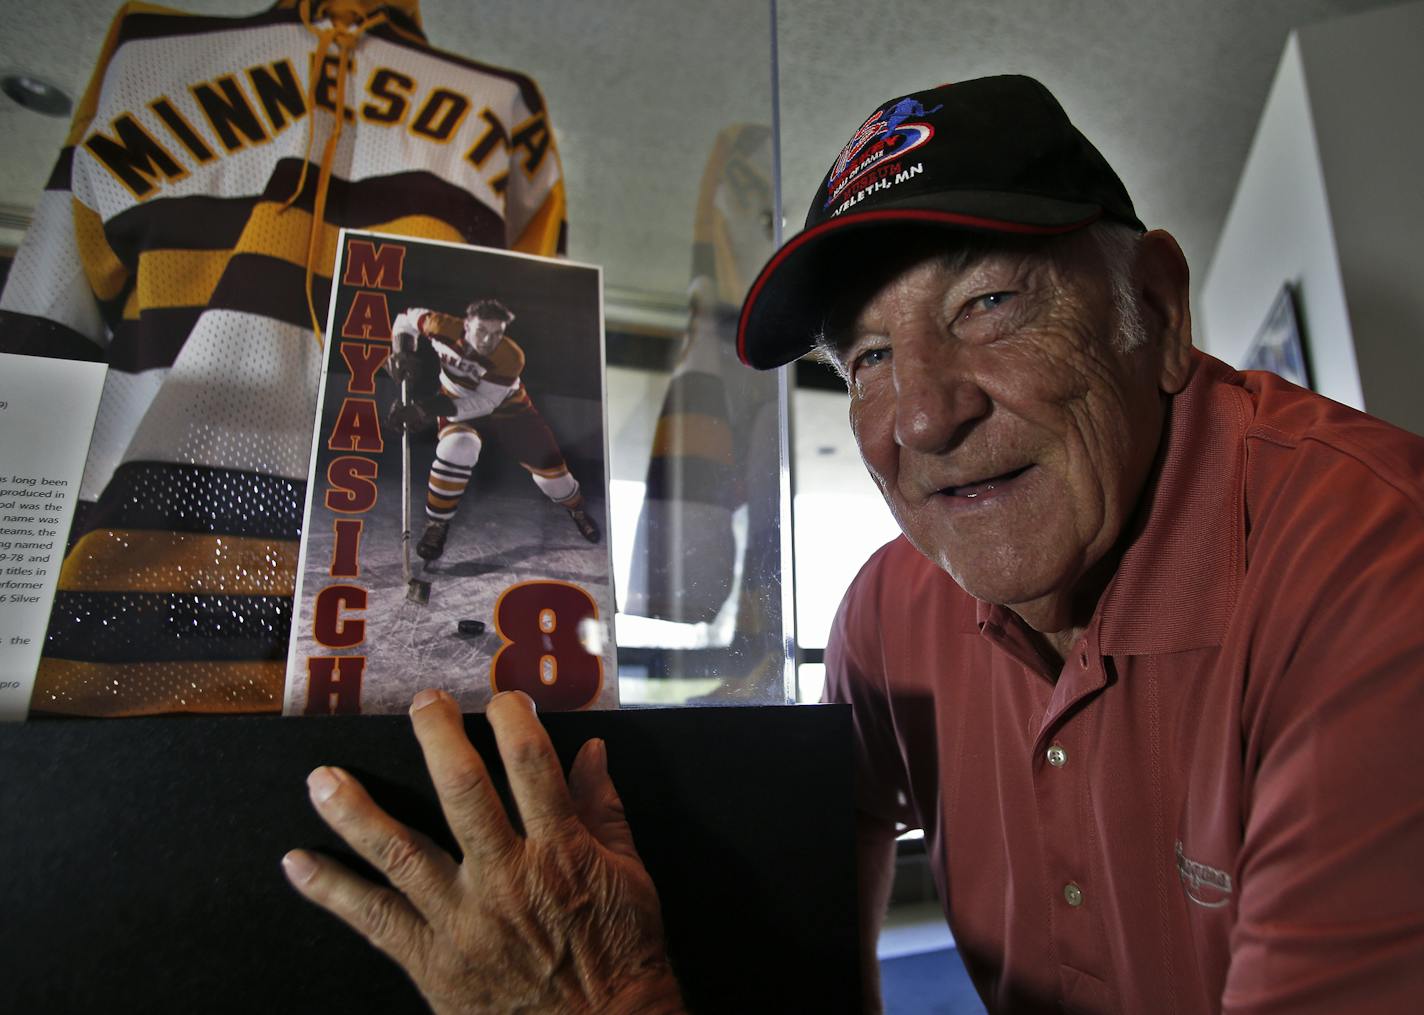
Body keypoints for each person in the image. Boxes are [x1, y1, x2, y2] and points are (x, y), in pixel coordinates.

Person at [284, 75, 1424, 1013]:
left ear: (1159, 313)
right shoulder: (890, 609)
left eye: (987, 304)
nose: (922, 418)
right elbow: (809, 943)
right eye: (866, 358)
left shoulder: (1377, 570)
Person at [386, 298, 602, 558]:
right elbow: (406, 318)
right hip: (455, 402)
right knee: (458, 447)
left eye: (497, 333)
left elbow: (485, 403)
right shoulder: (441, 326)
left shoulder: (510, 357)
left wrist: (425, 409)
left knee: (554, 479)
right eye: (482, 331)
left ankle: (576, 508)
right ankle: (437, 524)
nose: (489, 340)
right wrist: (402, 351)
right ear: (466, 325)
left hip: (511, 411)